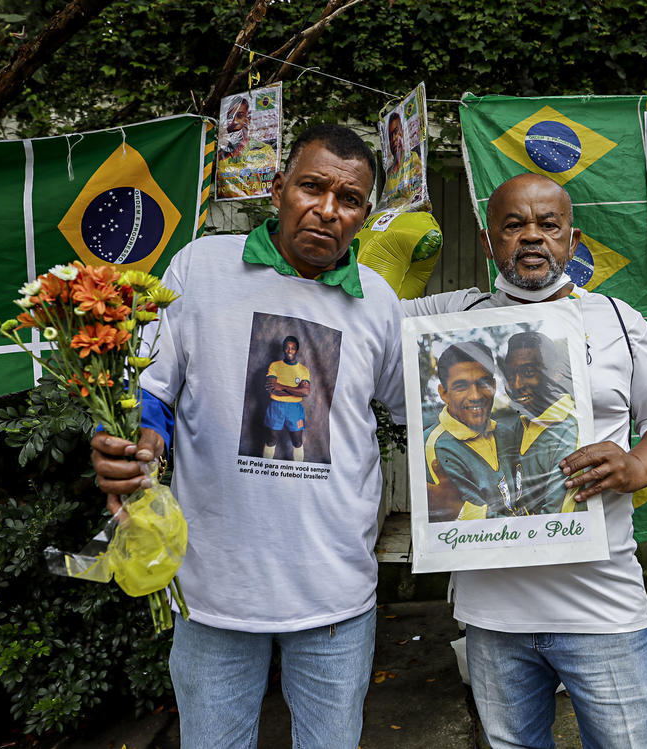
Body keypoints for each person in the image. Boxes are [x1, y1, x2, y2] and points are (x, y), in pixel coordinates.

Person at [90, 124, 405, 749]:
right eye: (311, 188)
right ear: (278, 189)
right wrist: (132, 441)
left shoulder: (376, 300)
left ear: (365, 215)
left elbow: (417, 408)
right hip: (216, 590)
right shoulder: (202, 266)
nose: (327, 210)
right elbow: (150, 386)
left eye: (349, 199)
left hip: (336, 595)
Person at [402, 172, 647, 748]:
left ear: (573, 239)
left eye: (548, 225)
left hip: (602, 603)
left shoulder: (617, 319)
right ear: (489, 242)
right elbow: (353, 312)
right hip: (493, 618)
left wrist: (637, 466)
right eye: (513, 225)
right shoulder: (450, 320)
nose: (532, 238)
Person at [425, 341, 520, 521]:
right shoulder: (436, 448)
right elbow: (472, 531)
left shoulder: (506, 434)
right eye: (461, 386)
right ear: (443, 393)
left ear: (493, 385)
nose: (475, 396)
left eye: (483, 383)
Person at [500, 330, 580, 515]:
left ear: (557, 373)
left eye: (529, 372)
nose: (517, 384)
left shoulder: (571, 432)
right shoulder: (521, 424)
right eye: (511, 375)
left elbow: (557, 521)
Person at [264, 334, 310, 461]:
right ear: (283, 349)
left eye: (293, 348)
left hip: (294, 408)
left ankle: (298, 470)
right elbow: (272, 389)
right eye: (287, 347)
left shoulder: (303, 370)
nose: (290, 351)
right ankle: (265, 467)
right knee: (271, 439)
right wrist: (296, 390)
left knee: (297, 441)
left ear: (297, 350)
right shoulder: (275, 366)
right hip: (276, 406)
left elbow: (306, 392)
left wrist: (281, 386)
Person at [380, 111, 423, 210]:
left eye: (396, 132)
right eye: (391, 136)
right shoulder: (390, 173)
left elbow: (419, 194)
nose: (394, 139)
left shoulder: (414, 158)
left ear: (403, 133)